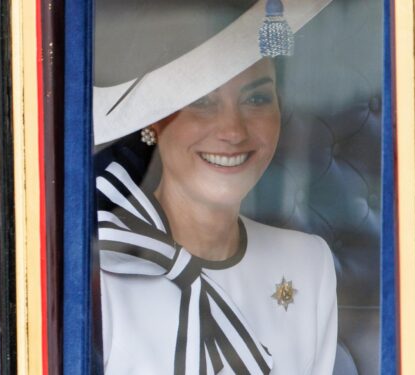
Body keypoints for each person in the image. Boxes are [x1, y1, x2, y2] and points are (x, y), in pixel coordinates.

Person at [94, 0, 337, 373]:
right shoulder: (99, 270)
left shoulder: (308, 263)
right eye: (202, 102)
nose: (233, 131)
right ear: (153, 123)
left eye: (256, 99)